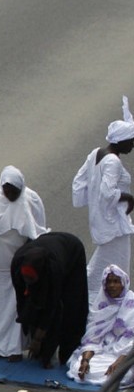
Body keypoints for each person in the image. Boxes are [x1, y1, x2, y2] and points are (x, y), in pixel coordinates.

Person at [0, 165, 48, 362]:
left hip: (20, 263)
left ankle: (15, 349)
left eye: (13, 191)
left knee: (17, 306)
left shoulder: (31, 199)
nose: (9, 194)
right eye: (6, 190)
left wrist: (28, 263)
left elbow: (37, 233)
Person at [73, 96, 134, 304]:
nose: (132, 145)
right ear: (122, 141)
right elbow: (107, 193)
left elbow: (79, 183)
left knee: (100, 273)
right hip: (115, 229)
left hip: (105, 225)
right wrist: (128, 197)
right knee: (117, 276)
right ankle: (108, 314)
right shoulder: (113, 162)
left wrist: (95, 207)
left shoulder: (95, 154)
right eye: (131, 141)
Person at [11, 232, 89, 369]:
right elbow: (21, 300)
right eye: (26, 278)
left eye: (31, 279)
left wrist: (37, 339)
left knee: (71, 305)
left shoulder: (53, 269)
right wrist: (27, 327)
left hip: (71, 253)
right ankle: (41, 352)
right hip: (48, 248)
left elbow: (52, 307)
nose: (27, 282)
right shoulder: (17, 263)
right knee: (33, 302)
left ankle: (68, 353)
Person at [66, 265, 134, 386]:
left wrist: (119, 362)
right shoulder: (100, 305)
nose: (112, 286)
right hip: (104, 350)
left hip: (127, 354)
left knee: (124, 373)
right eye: (108, 282)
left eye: (116, 281)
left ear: (123, 283)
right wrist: (85, 360)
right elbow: (92, 338)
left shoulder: (131, 303)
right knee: (78, 367)